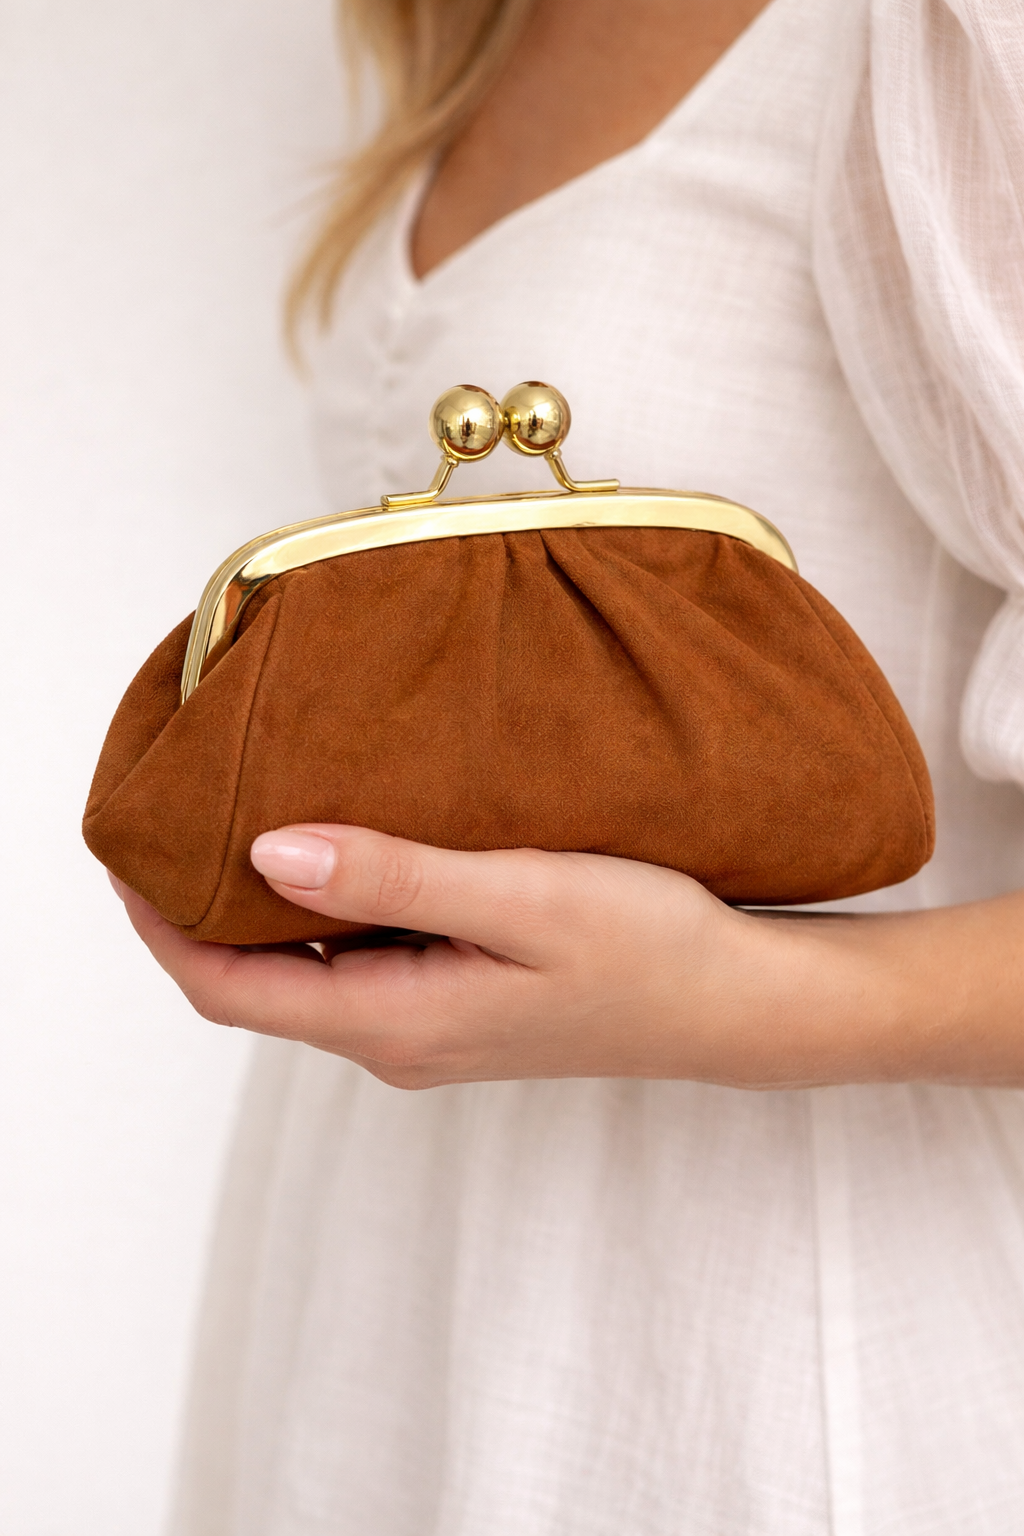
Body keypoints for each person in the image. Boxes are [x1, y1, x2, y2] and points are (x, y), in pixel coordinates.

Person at [113, 0, 1024, 1530]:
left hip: (765, 1336)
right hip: (375, 1282)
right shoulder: (469, 32)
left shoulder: (942, 41)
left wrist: (756, 1000)